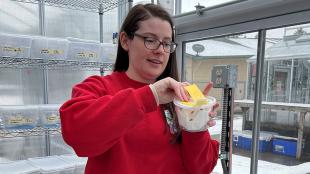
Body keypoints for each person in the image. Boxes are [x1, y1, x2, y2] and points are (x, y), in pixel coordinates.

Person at [60, 3, 219, 174]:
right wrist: (150, 96)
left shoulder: (179, 98)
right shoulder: (99, 87)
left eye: (166, 44)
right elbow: (78, 135)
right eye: (150, 40)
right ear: (125, 41)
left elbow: (200, 168)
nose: (160, 51)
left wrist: (195, 123)